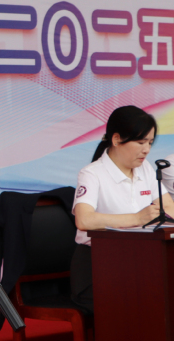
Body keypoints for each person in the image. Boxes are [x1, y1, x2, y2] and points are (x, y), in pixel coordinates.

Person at [71, 105, 174, 312]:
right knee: (147, 302)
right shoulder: (92, 173)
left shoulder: (145, 168)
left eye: (150, 143)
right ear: (117, 139)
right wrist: (137, 218)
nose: (146, 150)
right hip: (99, 267)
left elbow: (169, 207)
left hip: (140, 262)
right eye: (140, 142)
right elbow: (83, 220)